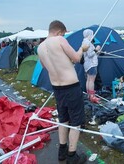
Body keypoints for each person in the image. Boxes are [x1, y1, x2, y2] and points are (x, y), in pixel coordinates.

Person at [37, 20, 89, 164]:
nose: (64, 36)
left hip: (57, 88)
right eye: (64, 34)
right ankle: (72, 156)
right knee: (76, 122)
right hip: (71, 87)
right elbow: (78, 58)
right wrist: (83, 48)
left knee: (63, 120)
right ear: (59, 32)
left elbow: (46, 66)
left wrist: (65, 63)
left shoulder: (40, 48)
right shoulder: (59, 40)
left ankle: (62, 151)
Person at [82, 29, 101, 104]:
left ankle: (89, 95)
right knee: (91, 80)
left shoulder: (84, 42)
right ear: (89, 35)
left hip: (87, 64)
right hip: (92, 64)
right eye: (92, 34)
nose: (93, 36)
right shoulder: (88, 42)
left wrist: (96, 52)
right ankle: (92, 96)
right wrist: (96, 49)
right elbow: (90, 54)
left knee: (88, 80)